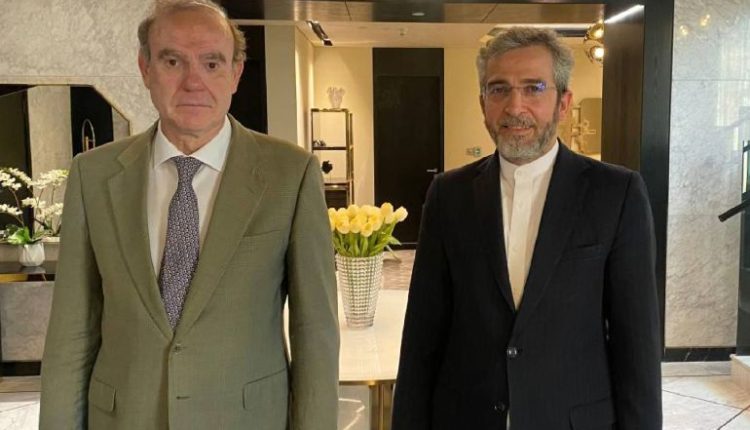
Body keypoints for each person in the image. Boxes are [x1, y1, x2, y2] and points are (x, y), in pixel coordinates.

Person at [39, 1, 339, 429]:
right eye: (173, 61)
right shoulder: (94, 175)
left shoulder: (290, 174)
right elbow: (71, 332)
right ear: (145, 69)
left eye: (212, 63)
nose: (193, 82)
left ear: (235, 73)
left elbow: (315, 334)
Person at [392, 27, 661, 429]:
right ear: (483, 103)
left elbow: (636, 346)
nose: (514, 106)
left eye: (533, 88)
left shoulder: (616, 194)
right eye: (499, 89)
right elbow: (422, 336)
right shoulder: (449, 195)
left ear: (563, 103)